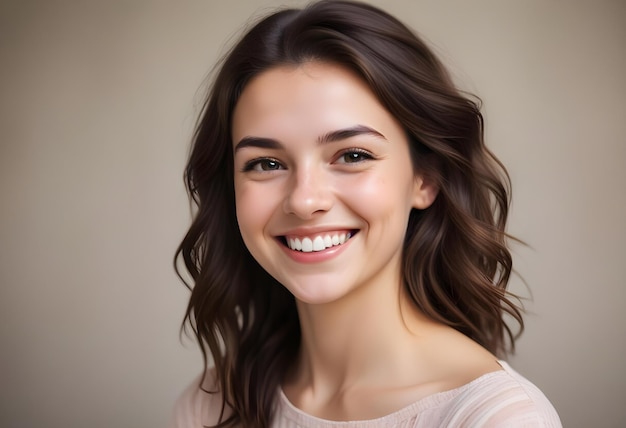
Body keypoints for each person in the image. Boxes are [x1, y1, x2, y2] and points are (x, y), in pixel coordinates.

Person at [172, 1, 562, 426]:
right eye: (266, 163)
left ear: (425, 179)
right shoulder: (213, 405)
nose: (304, 200)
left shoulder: (496, 418)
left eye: (352, 155)